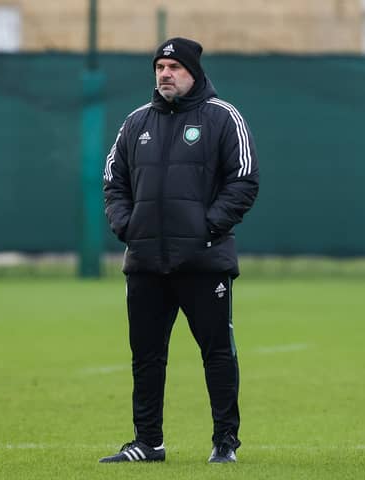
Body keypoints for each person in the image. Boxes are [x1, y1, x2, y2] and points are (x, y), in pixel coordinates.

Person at [100, 37, 259, 464]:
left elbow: (244, 179)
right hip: (146, 263)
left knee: (217, 354)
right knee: (146, 357)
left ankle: (225, 443)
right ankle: (147, 441)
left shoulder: (223, 117)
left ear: (193, 72)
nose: (165, 74)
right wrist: (127, 226)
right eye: (159, 67)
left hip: (204, 261)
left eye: (174, 67)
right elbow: (114, 182)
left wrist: (207, 227)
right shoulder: (136, 123)